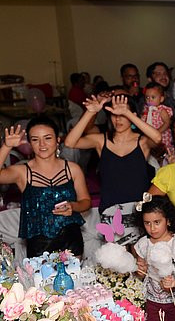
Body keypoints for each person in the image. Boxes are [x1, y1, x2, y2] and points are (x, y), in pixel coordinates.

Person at [65, 94, 162, 245]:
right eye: (114, 115)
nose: (118, 119)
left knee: (142, 256)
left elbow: (157, 138)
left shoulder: (142, 141)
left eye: (122, 115)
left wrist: (128, 113)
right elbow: (70, 142)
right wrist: (90, 112)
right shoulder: (101, 140)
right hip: (110, 210)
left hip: (139, 210)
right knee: (115, 258)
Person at [0, 120, 90, 257]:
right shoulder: (22, 172)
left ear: (57, 140)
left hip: (71, 240)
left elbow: (86, 201)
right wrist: (6, 147)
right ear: (30, 143)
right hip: (39, 245)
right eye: (35, 139)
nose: (42, 144)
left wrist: (73, 206)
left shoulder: (72, 169)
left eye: (47, 138)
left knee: (76, 271)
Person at [133, 196, 175, 321]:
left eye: (157, 222)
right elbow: (140, 274)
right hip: (153, 300)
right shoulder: (143, 244)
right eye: (147, 223)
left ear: (168, 221)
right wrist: (139, 271)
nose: (152, 228)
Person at [142, 82, 174, 161]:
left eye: (153, 97)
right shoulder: (146, 110)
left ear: (161, 99)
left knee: (165, 155)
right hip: (150, 138)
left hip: (162, 136)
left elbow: (167, 123)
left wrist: (157, 132)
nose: (150, 99)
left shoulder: (161, 110)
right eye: (147, 97)